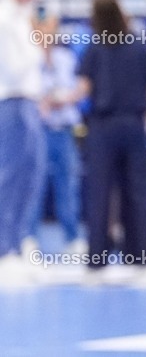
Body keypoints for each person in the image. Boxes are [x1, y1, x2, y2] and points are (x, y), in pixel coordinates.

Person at [75, 0, 146, 271]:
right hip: (134, 125)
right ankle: (138, 252)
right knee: (136, 191)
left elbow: (83, 89)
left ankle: (97, 256)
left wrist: (56, 99)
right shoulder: (138, 46)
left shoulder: (96, 48)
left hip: (102, 127)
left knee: (99, 192)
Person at [23, 16, 86, 255]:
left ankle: (72, 237)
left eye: (51, 30)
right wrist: (43, 100)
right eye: (42, 31)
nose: (47, 35)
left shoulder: (66, 58)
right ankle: (29, 238)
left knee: (68, 185)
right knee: (33, 186)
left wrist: (66, 98)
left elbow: (79, 88)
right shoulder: (28, 60)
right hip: (38, 130)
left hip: (64, 130)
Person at [0, 0, 46, 281]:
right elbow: (16, 67)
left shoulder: (20, 17)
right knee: (10, 176)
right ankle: (4, 249)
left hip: (28, 101)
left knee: (31, 175)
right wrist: (39, 44)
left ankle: (16, 243)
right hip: (11, 100)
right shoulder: (5, 17)